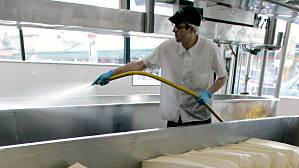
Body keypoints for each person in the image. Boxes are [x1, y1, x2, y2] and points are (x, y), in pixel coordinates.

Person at [92, 6, 227, 127]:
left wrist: (208, 93)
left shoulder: (210, 50)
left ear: (191, 29)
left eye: (178, 27)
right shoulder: (167, 47)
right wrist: (112, 74)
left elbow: (222, 77)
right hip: (174, 118)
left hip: (199, 118)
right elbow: (140, 65)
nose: (174, 30)